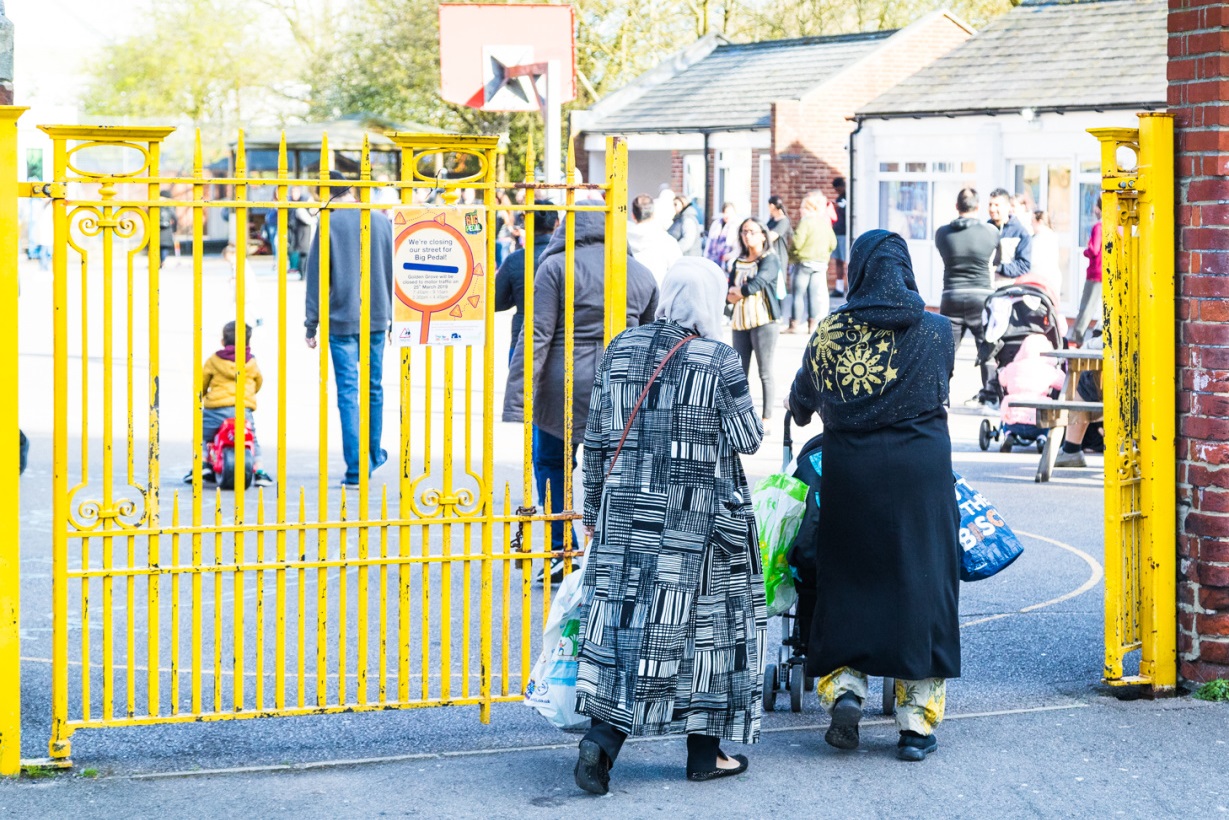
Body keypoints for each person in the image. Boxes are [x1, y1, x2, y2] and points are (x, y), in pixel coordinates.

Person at [573, 257, 766, 794]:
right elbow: (747, 438)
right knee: (705, 634)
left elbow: (596, 439)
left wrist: (593, 513)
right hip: (696, 522)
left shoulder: (620, 348)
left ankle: (601, 743)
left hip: (625, 520)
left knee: (625, 631)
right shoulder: (718, 360)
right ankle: (705, 752)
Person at [787, 230, 960, 763]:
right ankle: (914, 725)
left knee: (848, 581)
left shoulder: (829, 333)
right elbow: (941, 386)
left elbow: (801, 401)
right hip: (920, 476)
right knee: (923, 585)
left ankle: (845, 693)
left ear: (858, 271)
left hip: (852, 475)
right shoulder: (937, 331)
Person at [502, 204, 658, 582]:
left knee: (553, 463)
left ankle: (561, 550)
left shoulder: (555, 267)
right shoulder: (639, 273)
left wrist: (517, 398)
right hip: (622, 384)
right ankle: (611, 552)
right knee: (614, 469)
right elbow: (652, 339)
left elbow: (537, 335)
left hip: (562, 385)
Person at [304, 170, 394, 488]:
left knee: (348, 392)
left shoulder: (328, 222)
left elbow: (316, 276)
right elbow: (392, 270)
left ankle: (357, 468)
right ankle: (373, 454)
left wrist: (311, 323)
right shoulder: (381, 220)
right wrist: (393, 315)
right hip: (378, 315)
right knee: (375, 388)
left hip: (341, 318)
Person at [183, 321, 273, 487]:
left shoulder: (214, 360)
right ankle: (260, 471)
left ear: (223, 341)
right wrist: (249, 396)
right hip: (242, 410)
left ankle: (202, 464)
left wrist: (200, 396)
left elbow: (202, 383)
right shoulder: (251, 362)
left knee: (202, 436)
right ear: (248, 342)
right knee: (252, 438)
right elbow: (258, 382)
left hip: (215, 409)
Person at [934, 187, 1001, 410]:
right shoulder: (991, 232)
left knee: (946, 351)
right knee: (987, 347)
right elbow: (997, 259)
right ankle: (991, 395)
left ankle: (940, 398)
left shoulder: (942, 233)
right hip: (981, 298)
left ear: (956, 207)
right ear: (978, 207)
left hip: (951, 296)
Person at [726, 218, 783, 428]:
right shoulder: (738, 261)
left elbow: (756, 284)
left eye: (751, 231)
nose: (747, 235)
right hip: (740, 322)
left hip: (764, 321)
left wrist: (738, 292)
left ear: (762, 234)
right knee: (739, 372)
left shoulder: (770, 259)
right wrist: (734, 293)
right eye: (743, 232)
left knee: (765, 371)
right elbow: (728, 292)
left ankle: (766, 418)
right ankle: (743, 417)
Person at [495, 204, 558, 362]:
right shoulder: (569, 258)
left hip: (523, 339)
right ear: (557, 222)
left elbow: (496, 302)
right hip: (561, 340)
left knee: (521, 385)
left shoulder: (515, 260)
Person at [786, 191, 837, 334]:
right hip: (820, 263)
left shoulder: (806, 222)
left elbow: (797, 243)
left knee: (798, 294)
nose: (800, 210)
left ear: (808, 208)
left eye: (802, 208)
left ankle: (794, 324)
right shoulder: (824, 222)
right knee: (814, 295)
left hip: (803, 262)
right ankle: (812, 325)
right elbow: (833, 243)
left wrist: (792, 255)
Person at [626, 193, 682, 286]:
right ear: (653, 214)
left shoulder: (620, 238)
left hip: (626, 295)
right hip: (659, 295)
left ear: (633, 215)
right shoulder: (667, 242)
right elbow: (678, 273)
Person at [1072, 196, 1103, 344]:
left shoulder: (1099, 227)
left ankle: (1076, 339)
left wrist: (1086, 250)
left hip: (1095, 273)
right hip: (1106, 273)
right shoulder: (1114, 225)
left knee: (1087, 307)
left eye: (1095, 207)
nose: (1094, 210)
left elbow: (1094, 249)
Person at [1016, 210, 1063, 303]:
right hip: (1051, 278)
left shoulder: (1040, 238)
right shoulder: (1052, 236)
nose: (1031, 225)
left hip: (1041, 279)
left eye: (1032, 222)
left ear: (1040, 222)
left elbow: (1032, 259)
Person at [988, 188, 1032, 281]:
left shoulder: (1021, 233)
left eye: (996, 205)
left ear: (1008, 207)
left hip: (1008, 290)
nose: (992, 209)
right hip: (984, 288)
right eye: (990, 204)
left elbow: (1024, 266)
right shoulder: (984, 230)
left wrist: (998, 268)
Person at [830, 177, 848, 296]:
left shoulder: (848, 197)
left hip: (845, 233)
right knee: (838, 261)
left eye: (838, 189)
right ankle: (839, 288)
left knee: (846, 261)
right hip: (838, 232)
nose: (837, 191)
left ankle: (849, 286)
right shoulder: (839, 199)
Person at [705, 202, 739, 269]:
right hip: (713, 260)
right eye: (725, 212)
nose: (727, 215)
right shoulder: (716, 224)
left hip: (728, 263)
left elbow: (739, 248)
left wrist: (730, 256)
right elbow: (709, 242)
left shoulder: (737, 225)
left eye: (729, 212)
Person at [766, 194, 793, 274]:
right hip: (770, 255)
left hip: (779, 256)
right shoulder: (772, 220)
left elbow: (772, 236)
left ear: (772, 206)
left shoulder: (784, 221)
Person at [158, 189, 178, 265]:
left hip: (156, 227)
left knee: (156, 245)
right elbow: (174, 217)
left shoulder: (156, 202)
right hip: (167, 228)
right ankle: (162, 261)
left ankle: (158, 261)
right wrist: (175, 229)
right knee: (165, 246)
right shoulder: (170, 205)